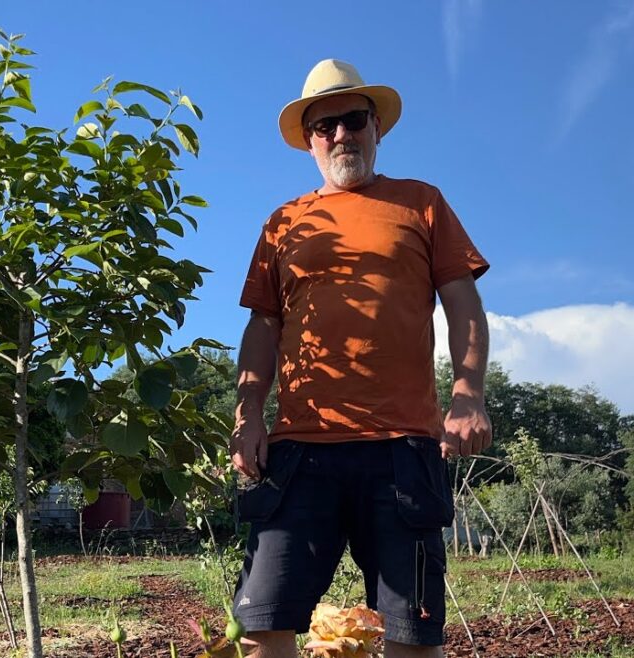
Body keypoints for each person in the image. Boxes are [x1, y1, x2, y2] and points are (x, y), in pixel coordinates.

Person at [230, 60, 492, 658]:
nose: (341, 134)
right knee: (262, 628)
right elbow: (263, 325)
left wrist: (468, 393)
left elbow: (463, 304)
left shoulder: (421, 203)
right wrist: (248, 415)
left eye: (353, 120)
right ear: (310, 141)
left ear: (376, 126)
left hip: (402, 449)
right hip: (299, 450)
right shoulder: (284, 222)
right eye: (326, 126)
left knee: (412, 635)